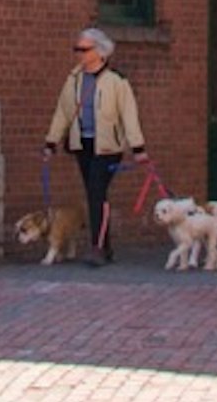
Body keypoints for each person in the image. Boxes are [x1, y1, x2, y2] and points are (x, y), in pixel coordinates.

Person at [45, 27, 146, 262]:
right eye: (77, 49)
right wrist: (51, 142)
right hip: (83, 145)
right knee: (94, 194)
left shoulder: (116, 82)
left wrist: (138, 148)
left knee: (96, 191)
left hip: (108, 148)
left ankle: (97, 247)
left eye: (84, 49)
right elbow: (63, 113)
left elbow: (129, 116)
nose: (79, 53)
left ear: (100, 52)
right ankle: (104, 246)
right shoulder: (73, 80)